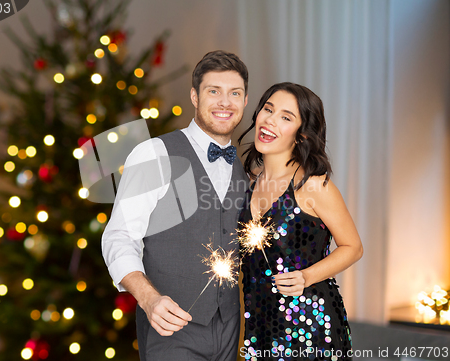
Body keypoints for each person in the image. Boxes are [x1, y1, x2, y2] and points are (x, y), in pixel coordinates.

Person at [102, 50, 249, 361]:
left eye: (234, 93)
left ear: (245, 101)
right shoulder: (153, 154)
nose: (225, 102)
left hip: (231, 331)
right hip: (170, 327)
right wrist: (149, 299)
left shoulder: (247, 169)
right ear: (194, 97)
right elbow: (118, 237)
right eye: (214, 91)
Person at [237, 82, 363, 360]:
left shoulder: (313, 185)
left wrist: (307, 276)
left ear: (302, 134)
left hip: (310, 328)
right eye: (268, 109)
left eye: (286, 117)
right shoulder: (248, 184)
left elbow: (353, 246)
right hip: (260, 327)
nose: (270, 120)